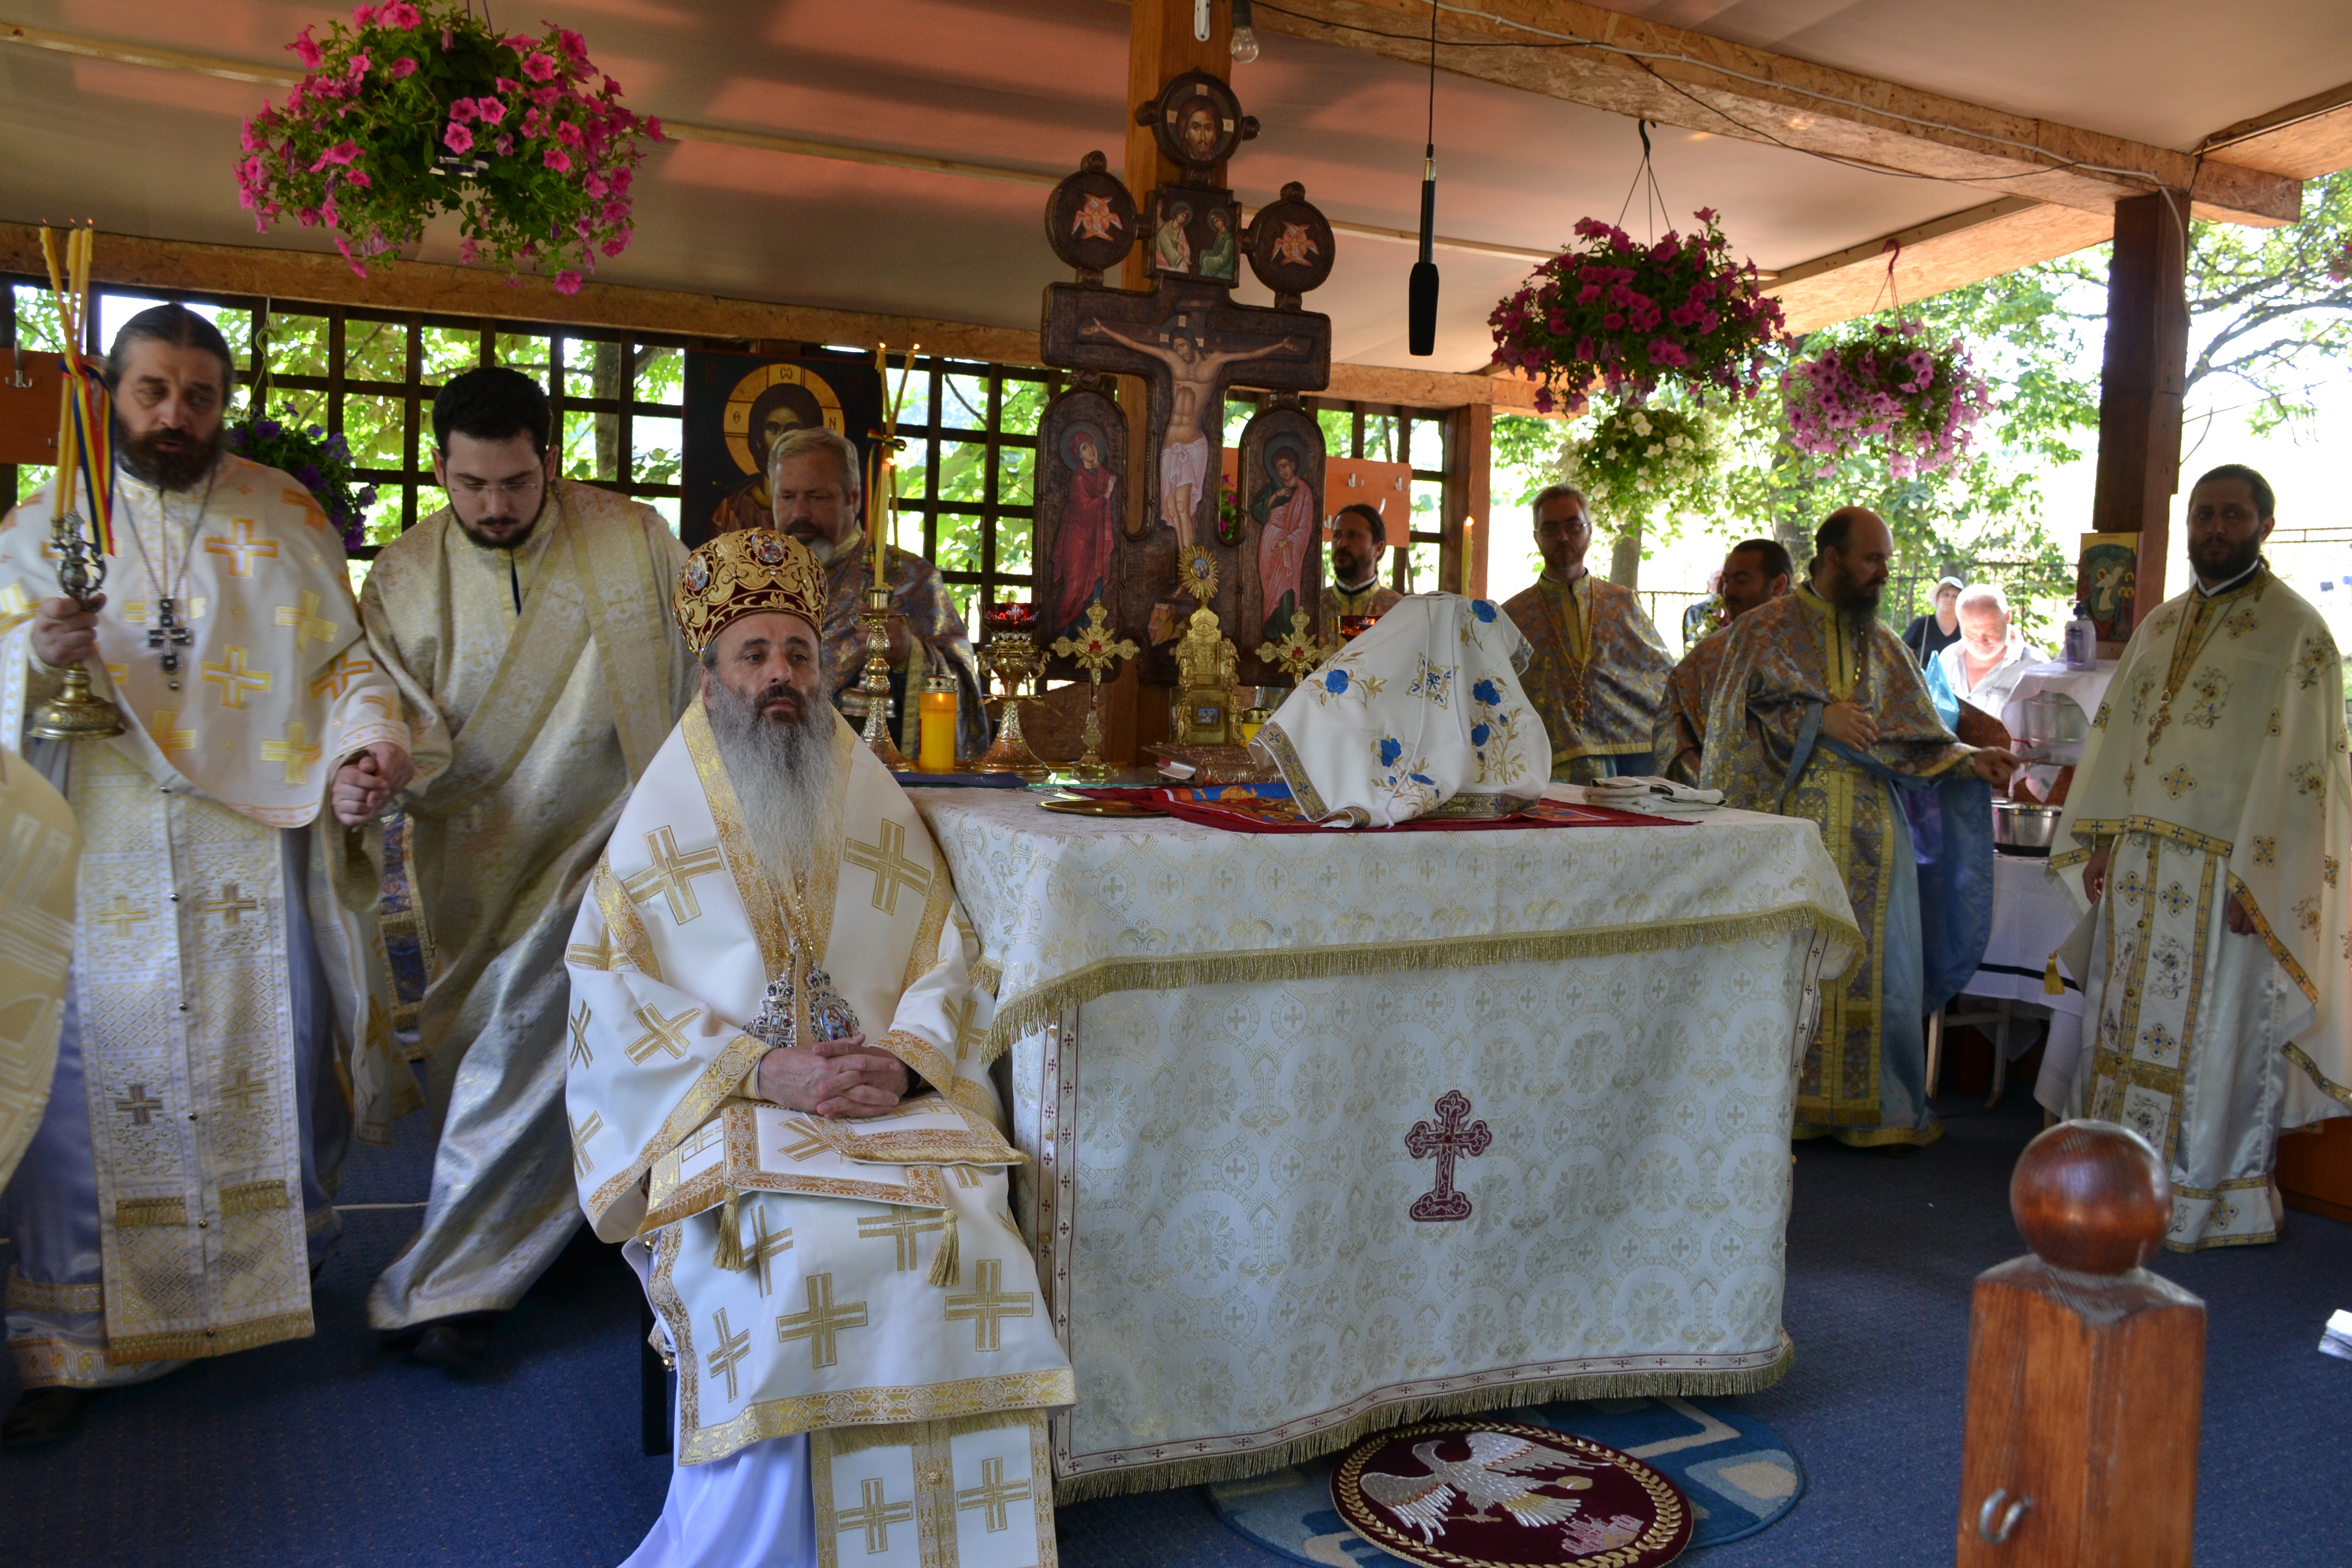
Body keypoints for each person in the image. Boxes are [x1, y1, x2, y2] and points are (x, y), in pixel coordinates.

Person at [569, 528, 1072, 1566]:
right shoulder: (658, 818)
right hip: (727, 1111)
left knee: (973, 1239)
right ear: (709, 678)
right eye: (753, 656)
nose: (780, 677)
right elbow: (609, 993)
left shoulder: (870, 794)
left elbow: (951, 955)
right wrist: (759, 1068)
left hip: (885, 1103)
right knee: (797, 1260)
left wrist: (907, 1058)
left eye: (797, 654)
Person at [0, 304, 412, 1444]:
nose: (175, 416)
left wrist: (364, 752)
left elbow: (346, 666)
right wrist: (32, 661)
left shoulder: (284, 516)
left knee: (263, 1061)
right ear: (114, 395)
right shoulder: (44, 529)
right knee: (87, 1092)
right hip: (104, 839)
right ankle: (68, 1344)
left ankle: (254, 1295)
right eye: (152, 392)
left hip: (250, 840)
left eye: (198, 395)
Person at [358, 367, 697, 1367]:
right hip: (475, 853)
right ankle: (554, 1229)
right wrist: (379, 752)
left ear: (550, 459)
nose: (495, 506)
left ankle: (452, 1287)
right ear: (440, 469)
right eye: (471, 485)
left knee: (530, 1035)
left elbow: (701, 655)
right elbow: (379, 696)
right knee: (484, 1047)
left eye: (515, 482)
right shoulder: (406, 574)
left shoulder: (632, 538)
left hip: (619, 841)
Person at [2049, 464, 2350, 1250]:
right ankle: (2113, 1189)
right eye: (2204, 515)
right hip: (2142, 871)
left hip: (2231, 879)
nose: (2215, 528)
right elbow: (2117, 741)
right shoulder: (2159, 623)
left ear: (2264, 524)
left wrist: (2271, 882)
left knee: (2214, 1038)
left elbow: (2307, 773)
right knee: (2118, 1030)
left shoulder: (2298, 632)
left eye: (2232, 515)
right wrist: (2105, 840)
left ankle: (2206, 1201)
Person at [1699, 507, 2020, 1148]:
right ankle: (1782, 1106)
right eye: (1872, 560)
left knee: (1878, 969)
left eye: (1886, 561)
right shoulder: (1762, 631)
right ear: (1833, 557)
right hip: (1792, 840)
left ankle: (1878, 1108)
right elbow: (1730, 735)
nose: (1882, 573)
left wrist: (1968, 760)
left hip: (1874, 838)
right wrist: (1818, 721)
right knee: (1792, 969)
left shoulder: (1884, 644)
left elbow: (1917, 733)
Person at [764, 425, 987, 760]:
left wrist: (909, 654)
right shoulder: (757, 581)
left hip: (868, 776)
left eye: (816, 497)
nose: (799, 513)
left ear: (853, 498)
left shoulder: (909, 579)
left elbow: (962, 682)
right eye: (787, 497)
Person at [1079, 316, 1295, 550]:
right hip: (1171, 444)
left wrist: (1280, 345)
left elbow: (1248, 354)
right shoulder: (1172, 359)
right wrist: (1104, 329)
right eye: (1176, 348)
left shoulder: (1214, 361)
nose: (1180, 351)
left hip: (1193, 444)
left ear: (1192, 342)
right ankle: (1187, 568)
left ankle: (1194, 568)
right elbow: (1136, 345)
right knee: (1172, 508)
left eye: (1182, 345)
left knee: (1184, 508)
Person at [1503, 485, 1674, 782]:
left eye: (1573, 525)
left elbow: (1658, 678)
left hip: (1625, 759)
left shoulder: (1622, 603)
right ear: (1537, 536)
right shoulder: (1514, 614)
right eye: (1551, 528)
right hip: (1546, 763)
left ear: (1590, 531)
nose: (1563, 537)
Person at [1655, 537, 1790, 783]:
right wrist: (1709, 783)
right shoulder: (1707, 654)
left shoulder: (1806, 649)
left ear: (1778, 585)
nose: (1729, 591)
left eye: (1742, 580)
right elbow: (1674, 730)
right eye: (1725, 581)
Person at [709, 381, 827, 537]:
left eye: (792, 429)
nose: (782, 439)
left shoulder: (826, 504)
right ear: (758, 438)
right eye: (773, 429)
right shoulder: (732, 510)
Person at [1923, 582, 2047, 730]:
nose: (1981, 641)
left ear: (2008, 617)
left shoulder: (2035, 667)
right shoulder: (1948, 658)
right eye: (1971, 634)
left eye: (1991, 632)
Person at [1046, 427, 1118, 643]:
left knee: (1094, 586)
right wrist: (1106, 494)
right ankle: (1062, 638)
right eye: (1085, 448)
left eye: (1091, 445)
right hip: (1077, 540)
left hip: (1096, 542)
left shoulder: (1105, 475)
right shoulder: (1078, 479)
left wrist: (1108, 491)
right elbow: (1084, 511)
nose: (1090, 450)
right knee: (1074, 588)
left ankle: (1087, 638)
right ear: (1078, 455)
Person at [1252, 446, 1317, 642]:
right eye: (1279, 468)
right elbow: (1258, 512)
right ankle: (1271, 635)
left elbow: (1306, 526)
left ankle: (1288, 637)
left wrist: (1289, 540)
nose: (1283, 471)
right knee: (1270, 589)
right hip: (1269, 543)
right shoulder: (1273, 487)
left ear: (1294, 465)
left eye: (1286, 466)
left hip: (1288, 546)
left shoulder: (1304, 492)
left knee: (1287, 589)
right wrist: (1275, 496)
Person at [1321, 502, 1402, 623]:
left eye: (1353, 535)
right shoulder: (1312, 606)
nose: (1341, 543)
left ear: (1378, 548)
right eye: (1337, 535)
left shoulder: (1398, 610)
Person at [1901, 574, 1964, 665]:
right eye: (1946, 595)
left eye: (1955, 596)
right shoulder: (1922, 625)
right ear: (1937, 598)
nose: (1950, 599)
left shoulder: (1965, 628)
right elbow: (1903, 657)